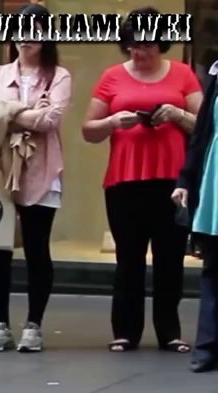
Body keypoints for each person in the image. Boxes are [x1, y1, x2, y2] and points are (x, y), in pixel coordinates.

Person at [82, 6, 201, 354]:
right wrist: (113, 122)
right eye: (134, 45)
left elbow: (204, 124)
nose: (140, 52)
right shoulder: (111, 77)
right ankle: (125, 331)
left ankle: (169, 331)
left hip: (172, 180)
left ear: (161, 43)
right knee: (129, 258)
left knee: (170, 258)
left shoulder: (182, 75)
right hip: (125, 179)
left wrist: (178, 115)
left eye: (147, 45)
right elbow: (88, 130)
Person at [0, 3, 70, 353]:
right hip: (0, 169)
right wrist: (25, 113)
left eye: (34, 30)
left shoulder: (59, 75)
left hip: (43, 169)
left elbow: (51, 121)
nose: (25, 38)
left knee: (36, 248)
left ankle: (34, 325)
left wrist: (7, 112)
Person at [176, 60, 218, 373]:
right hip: (215, 178)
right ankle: (207, 347)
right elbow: (202, 133)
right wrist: (185, 181)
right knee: (213, 266)